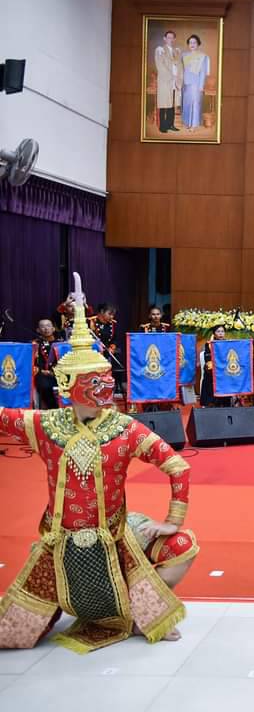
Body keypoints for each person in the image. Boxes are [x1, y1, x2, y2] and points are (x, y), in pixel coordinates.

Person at [0, 273, 195, 652]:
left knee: (183, 545)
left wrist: (172, 521)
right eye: (96, 381)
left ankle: (139, 615)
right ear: (70, 385)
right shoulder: (45, 424)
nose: (106, 388)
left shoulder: (125, 428)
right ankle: (66, 603)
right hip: (59, 544)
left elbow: (178, 466)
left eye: (106, 379)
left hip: (117, 538)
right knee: (11, 639)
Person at [91, 303, 123, 396]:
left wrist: (112, 347)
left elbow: (115, 339)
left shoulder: (112, 324)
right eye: (110, 314)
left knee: (117, 356)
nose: (112, 316)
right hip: (95, 350)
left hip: (108, 349)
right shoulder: (91, 321)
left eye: (113, 314)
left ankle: (118, 385)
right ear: (101, 312)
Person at [181, 34, 210, 131]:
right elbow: (181, 70)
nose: (192, 44)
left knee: (195, 104)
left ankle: (194, 125)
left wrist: (201, 86)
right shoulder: (184, 55)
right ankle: (187, 123)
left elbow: (202, 72)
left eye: (194, 42)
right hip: (186, 84)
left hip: (196, 84)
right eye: (190, 43)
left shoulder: (202, 57)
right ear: (188, 44)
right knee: (187, 104)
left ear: (198, 44)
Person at [154, 29, 181, 133]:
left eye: (172, 37)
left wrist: (178, 77)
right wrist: (171, 76)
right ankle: (163, 126)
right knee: (164, 103)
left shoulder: (176, 51)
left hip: (174, 81)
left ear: (174, 39)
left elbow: (179, 65)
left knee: (172, 103)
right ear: (164, 39)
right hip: (165, 81)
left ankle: (170, 124)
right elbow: (160, 65)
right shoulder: (160, 50)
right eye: (168, 37)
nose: (170, 39)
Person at [199, 324, 232, 408]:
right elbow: (208, 358)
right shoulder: (209, 344)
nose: (221, 333)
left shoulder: (227, 343)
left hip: (224, 368)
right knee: (210, 373)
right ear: (214, 333)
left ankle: (226, 401)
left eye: (222, 331)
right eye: (218, 331)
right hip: (213, 369)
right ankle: (212, 402)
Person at [32, 318, 59, 409]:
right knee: (46, 386)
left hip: (59, 373)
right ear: (38, 330)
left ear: (53, 329)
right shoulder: (35, 344)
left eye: (48, 326)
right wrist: (42, 371)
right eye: (42, 327)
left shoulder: (60, 343)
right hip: (42, 373)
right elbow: (33, 362)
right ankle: (54, 410)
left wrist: (54, 372)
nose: (46, 329)